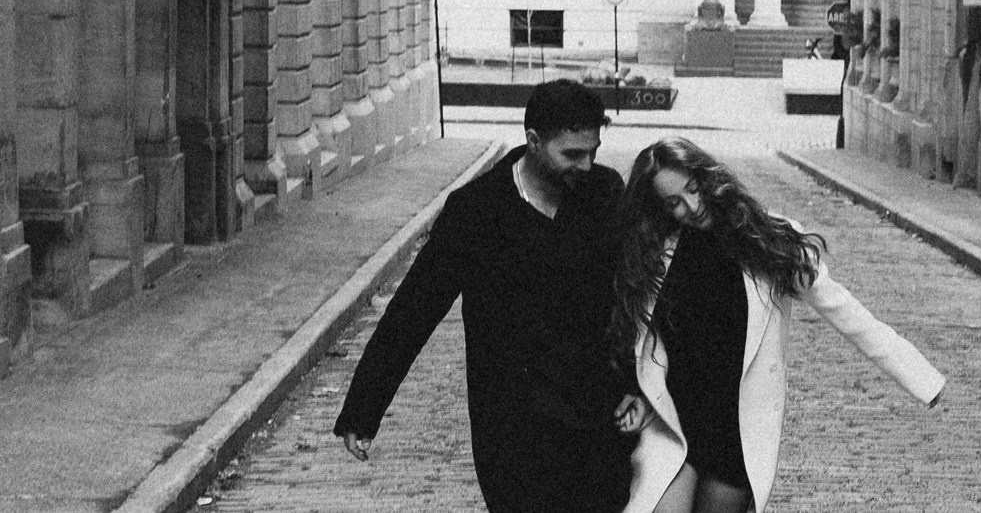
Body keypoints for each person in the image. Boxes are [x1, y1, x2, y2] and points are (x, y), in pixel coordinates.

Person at [334, 79, 648, 513]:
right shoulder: (476, 211)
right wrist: (363, 408)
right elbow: (414, 310)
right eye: (572, 154)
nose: (586, 164)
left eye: (593, 151)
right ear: (533, 141)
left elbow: (633, 298)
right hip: (514, 425)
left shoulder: (604, 193)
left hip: (596, 417)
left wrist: (638, 386)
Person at [613, 138, 942, 513]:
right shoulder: (656, 251)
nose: (691, 207)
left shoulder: (767, 238)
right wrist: (632, 391)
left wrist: (920, 376)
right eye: (674, 202)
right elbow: (633, 332)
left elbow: (845, 311)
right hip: (673, 422)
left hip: (734, 429)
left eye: (693, 189)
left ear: (708, 178)